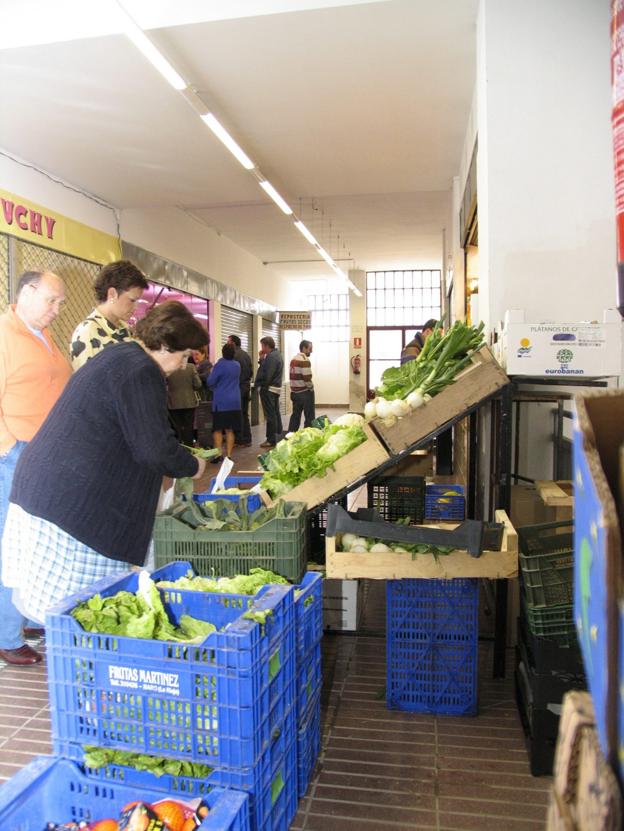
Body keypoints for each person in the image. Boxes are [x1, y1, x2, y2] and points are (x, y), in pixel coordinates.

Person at [1, 301, 208, 625]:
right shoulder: (142, 371)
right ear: (165, 345)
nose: (183, 366)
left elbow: (138, 432)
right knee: (83, 616)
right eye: (183, 356)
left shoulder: (121, 356)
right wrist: (191, 465)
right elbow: (153, 448)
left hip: (50, 491)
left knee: (74, 616)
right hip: (70, 506)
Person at [0, 270, 72, 665]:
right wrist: (11, 450)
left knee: (36, 544)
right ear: (27, 292)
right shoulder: (4, 334)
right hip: (16, 457)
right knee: (11, 547)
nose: (57, 310)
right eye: (52, 300)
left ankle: (26, 617)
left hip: (44, 455)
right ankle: (6, 636)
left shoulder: (41, 334)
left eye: (60, 302)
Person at [70, 259, 149, 370]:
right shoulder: (88, 331)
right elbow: (86, 383)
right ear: (112, 294)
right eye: (132, 300)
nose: (135, 307)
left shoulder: (124, 329)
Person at [207, 343, 242, 463]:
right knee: (230, 430)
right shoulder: (237, 365)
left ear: (223, 352)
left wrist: (212, 372)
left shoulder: (220, 365)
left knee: (217, 429)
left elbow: (210, 381)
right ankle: (229, 455)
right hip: (235, 402)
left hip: (221, 402)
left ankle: (218, 455)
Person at [254, 336, 283, 448]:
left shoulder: (271, 357)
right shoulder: (276, 355)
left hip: (269, 390)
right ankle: (278, 436)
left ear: (266, 345)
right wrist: (262, 359)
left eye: (262, 345)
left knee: (270, 415)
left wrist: (263, 387)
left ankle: (271, 439)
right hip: (275, 389)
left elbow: (268, 375)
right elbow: (266, 369)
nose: (261, 348)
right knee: (275, 413)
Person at [167, 358, 203, 446]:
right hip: (189, 402)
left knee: (177, 427)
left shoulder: (169, 367)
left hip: (173, 402)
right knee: (188, 426)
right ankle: (189, 446)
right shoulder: (191, 367)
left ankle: (178, 446)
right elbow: (198, 384)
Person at [227, 334, 253, 447]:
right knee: (244, 414)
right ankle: (247, 438)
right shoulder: (246, 355)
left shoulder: (234, 356)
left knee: (238, 414)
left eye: (228, 342)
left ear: (233, 343)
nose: (227, 344)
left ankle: (240, 439)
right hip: (246, 387)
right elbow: (251, 372)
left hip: (238, 388)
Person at [288, 339, 315, 432]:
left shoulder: (293, 359)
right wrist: (311, 388)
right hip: (304, 393)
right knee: (309, 417)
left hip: (294, 393)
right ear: (304, 348)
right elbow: (307, 377)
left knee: (295, 415)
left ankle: (290, 436)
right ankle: (308, 435)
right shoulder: (304, 360)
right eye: (310, 348)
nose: (311, 351)